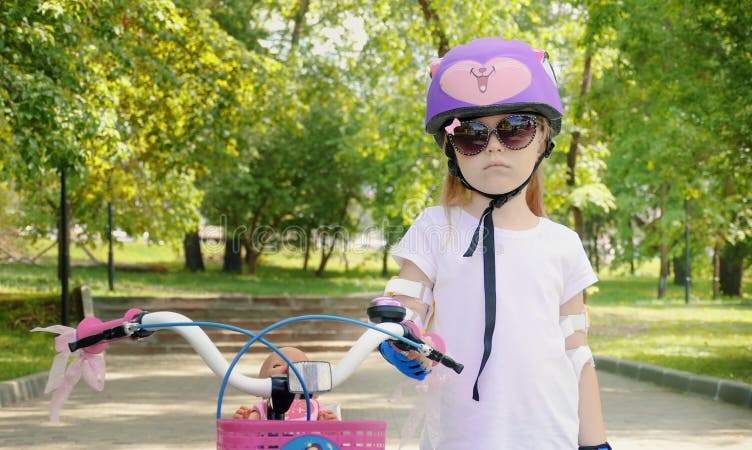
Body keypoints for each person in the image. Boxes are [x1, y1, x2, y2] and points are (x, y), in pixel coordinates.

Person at [377, 37, 611, 449]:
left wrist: (595, 443)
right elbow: (404, 309)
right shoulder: (436, 227)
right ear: (452, 150)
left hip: (549, 437)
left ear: (542, 140)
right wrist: (403, 339)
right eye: (471, 135)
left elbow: (577, 353)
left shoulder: (562, 244)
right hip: (459, 438)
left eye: (515, 129)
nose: (494, 147)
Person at [232, 346, 338, 421]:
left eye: (299, 366)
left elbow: (328, 435)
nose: (289, 368)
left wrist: (328, 423)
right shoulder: (263, 407)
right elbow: (248, 431)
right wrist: (244, 420)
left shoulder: (316, 407)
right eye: (277, 365)